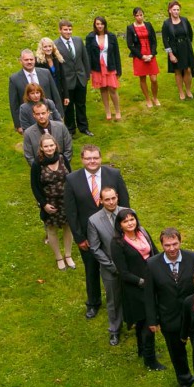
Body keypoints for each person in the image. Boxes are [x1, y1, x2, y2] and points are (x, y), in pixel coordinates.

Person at [64, 145, 130, 321]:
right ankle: (93, 303)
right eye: (88, 158)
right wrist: (79, 238)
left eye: (95, 158)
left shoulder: (113, 175)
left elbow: (124, 203)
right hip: (88, 237)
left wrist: (125, 231)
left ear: (100, 158)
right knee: (91, 269)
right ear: (82, 159)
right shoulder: (72, 179)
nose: (92, 161)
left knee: (119, 267)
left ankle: (124, 298)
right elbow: (71, 212)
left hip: (114, 233)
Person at [145, 228, 194, 387]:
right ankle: (185, 379)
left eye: (175, 244)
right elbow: (149, 294)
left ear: (180, 242)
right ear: (161, 245)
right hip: (169, 317)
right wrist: (152, 320)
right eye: (167, 245)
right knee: (176, 351)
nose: (171, 248)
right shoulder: (152, 264)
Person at [110, 208, 166, 370]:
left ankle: (143, 351)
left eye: (132, 219)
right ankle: (150, 360)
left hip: (150, 281)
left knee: (143, 321)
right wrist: (143, 282)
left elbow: (154, 253)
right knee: (148, 321)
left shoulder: (143, 232)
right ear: (120, 225)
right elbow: (123, 272)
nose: (130, 223)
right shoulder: (117, 243)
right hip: (135, 288)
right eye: (125, 221)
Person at [86, 187, 127, 346]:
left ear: (117, 197)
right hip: (110, 267)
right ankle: (115, 330)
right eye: (107, 199)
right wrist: (111, 266)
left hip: (130, 265)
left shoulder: (128, 213)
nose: (111, 202)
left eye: (113, 198)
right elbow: (95, 248)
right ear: (100, 201)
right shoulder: (94, 220)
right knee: (113, 299)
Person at [29, 135, 74, 270]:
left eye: (51, 145)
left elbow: (70, 177)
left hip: (66, 200)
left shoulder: (62, 158)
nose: (49, 148)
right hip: (50, 203)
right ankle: (59, 257)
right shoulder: (37, 164)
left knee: (68, 227)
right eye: (46, 146)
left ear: (56, 146)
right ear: (41, 148)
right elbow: (35, 186)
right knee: (51, 229)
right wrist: (43, 204)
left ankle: (68, 255)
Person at [9, 49, 62, 133]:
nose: (29, 62)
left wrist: (60, 115)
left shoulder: (45, 73)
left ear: (35, 60)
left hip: (49, 118)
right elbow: (14, 104)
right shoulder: (14, 79)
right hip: (29, 121)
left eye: (31, 59)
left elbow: (55, 95)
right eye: (26, 60)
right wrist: (18, 125)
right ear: (21, 61)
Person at [55, 20, 93, 136]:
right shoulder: (55, 45)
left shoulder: (78, 41)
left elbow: (85, 58)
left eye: (70, 29)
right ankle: (71, 130)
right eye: (65, 29)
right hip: (67, 81)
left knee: (81, 104)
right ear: (60, 30)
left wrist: (87, 75)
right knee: (69, 106)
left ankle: (83, 127)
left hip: (80, 78)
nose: (68, 32)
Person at [85, 16, 122, 121]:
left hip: (110, 66)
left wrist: (119, 70)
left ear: (104, 25)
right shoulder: (90, 37)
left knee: (112, 89)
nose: (100, 26)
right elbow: (88, 54)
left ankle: (117, 111)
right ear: (95, 25)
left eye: (101, 24)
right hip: (97, 68)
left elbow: (116, 54)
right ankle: (108, 111)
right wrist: (89, 70)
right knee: (103, 89)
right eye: (97, 24)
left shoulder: (111, 36)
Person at [161, 0, 194, 100]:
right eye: (174, 10)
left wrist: (189, 45)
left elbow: (190, 33)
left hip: (186, 47)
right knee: (178, 71)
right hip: (174, 49)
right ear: (170, 11)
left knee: (188, 70)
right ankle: (181, 92)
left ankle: (188, 90)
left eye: (178, 9)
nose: (176, 11)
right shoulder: (166, 23)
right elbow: (165, 40)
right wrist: (170, 54)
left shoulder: (184, 20)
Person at [125, 7, 160, 107]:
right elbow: (130, 45)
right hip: (139, 56)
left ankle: (155, 97)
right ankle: (148, 99)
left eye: (141, 15)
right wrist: (141, 56)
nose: (139, 17)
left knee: (154, 79)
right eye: (137, 15)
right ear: (134, 16)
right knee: (143, 78)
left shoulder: (148, 25)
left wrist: (152, 54)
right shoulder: (130, 28)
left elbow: (154, 41)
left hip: (150, 54)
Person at [22, 101, 73, 167]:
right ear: (34, 115)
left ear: (48, 113)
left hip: (63, 168)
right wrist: (39, 168)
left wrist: (61, 165)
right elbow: (29, 155)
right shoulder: (28, 133)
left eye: (43, 113)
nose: (41, 116)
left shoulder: (61, 127)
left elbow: (68, 148)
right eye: (38, 114)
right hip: (41, 172)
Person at [34, 37, 67, 112]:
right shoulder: (38, 62)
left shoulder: (57, 58)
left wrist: (66, 95)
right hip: (46, 93)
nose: (48, 48)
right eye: (45, 47)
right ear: (41, 48)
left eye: (50, 46)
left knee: (60, 114)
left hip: (58, 92)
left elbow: (63, 78)